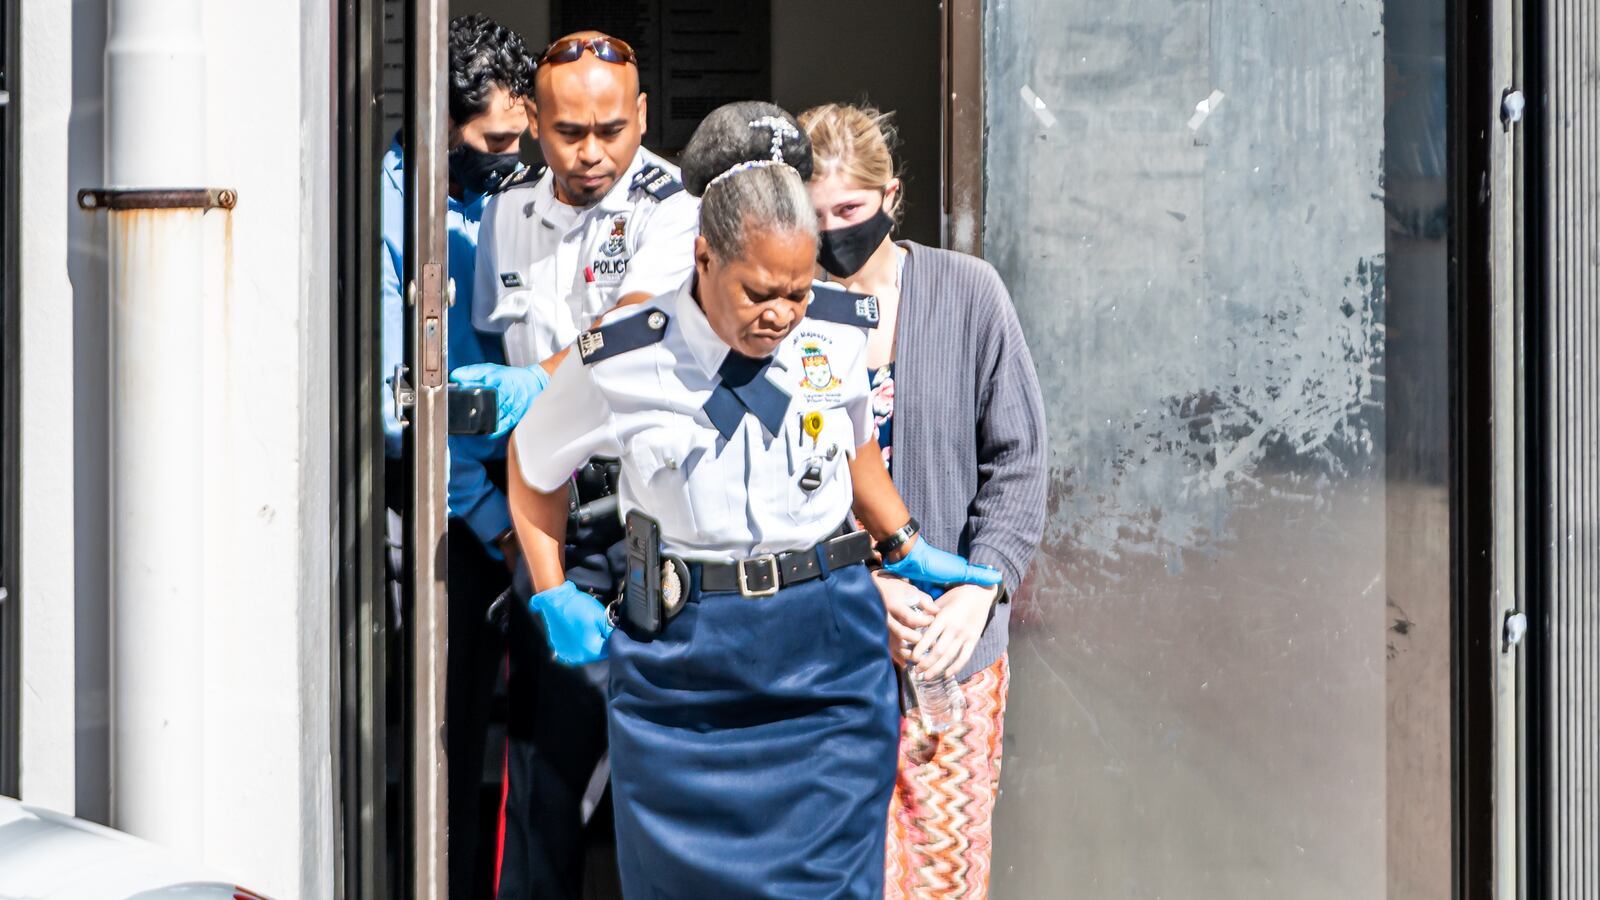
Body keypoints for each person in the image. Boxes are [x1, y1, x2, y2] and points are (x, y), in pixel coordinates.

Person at [504, 100, 1003, 899]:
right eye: (761, 292)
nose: (782, 314)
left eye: (800, 290)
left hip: (825, 656)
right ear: (704, 258)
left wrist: (905, 541)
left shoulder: (834, 333)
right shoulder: (625, 357)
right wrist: (553, 587)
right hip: (682, 666)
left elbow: (854, 448)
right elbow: (532, 467)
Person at [471, 30, 700, 900]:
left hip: (649, 514)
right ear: (532, 122)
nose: (594, 150)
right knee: (541, 774)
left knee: (662, 767)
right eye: (571, 131)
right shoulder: (507, 214)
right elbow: (495, 345)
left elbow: (630, 327)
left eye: (613, 127)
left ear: (642, 115)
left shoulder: (674, 207)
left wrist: (538, 381)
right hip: (546, 513)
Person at [800, 103, 1047, 899]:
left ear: (890, 197)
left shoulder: (968, 292)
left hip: (951, 653)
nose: (833, 231)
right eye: (814, 216)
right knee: (838, 870)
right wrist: (855, 584)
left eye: (850, 210)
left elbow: (1019, 461)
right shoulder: (784, 307)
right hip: (830, 646)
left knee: (942, 871)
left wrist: (981, 590)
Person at [378, 14, 547, 899]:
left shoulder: (526, 202)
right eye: (494, 141)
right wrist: (493, 520)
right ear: (443, 121)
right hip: (455, 520)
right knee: (446, 746)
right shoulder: (389, 211)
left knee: (546, 748)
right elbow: (392, 408)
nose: (512, 157)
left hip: (550, 507)